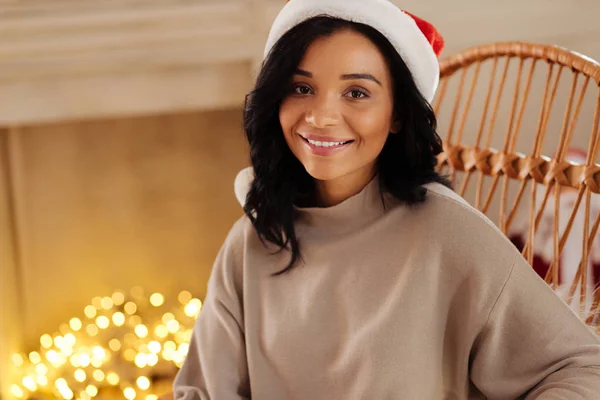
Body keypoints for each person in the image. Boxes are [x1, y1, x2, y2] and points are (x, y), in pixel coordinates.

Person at [173, 0, 600, 398]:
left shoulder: (447, 232)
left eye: (356, 93)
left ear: (397, 114)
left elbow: (581, 369)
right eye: (301, 88)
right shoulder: (249, 242)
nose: (320, 116)